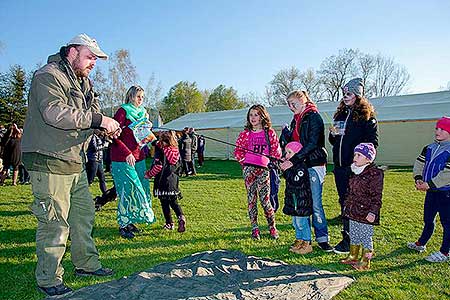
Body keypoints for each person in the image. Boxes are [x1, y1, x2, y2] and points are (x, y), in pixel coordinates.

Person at [21, 34, 120, 297]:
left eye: (96, 60)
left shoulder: (84, 83)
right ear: (73, 51)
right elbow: (54, 112)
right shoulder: (48, 75)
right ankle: (49, 278)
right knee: (55, 222)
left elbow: (91, 115)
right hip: (49, 158)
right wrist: (99, 120)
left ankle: (86, 264)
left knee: (83, 216)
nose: (93, 64)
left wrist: (103, 128)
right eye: (90, 57)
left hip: (74, 160)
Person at [329, 78, 378, 254]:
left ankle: (353, 241)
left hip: (356, 169)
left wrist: (361, 162)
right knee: (344, 201)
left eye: (348, 93)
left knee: (355, 204)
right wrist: (332, 134)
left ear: (357, 96)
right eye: (344, 94)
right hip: (340, 167)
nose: (345, 97)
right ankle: (349, 238)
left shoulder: (367, 117)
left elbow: (373, 143)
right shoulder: (340, 115)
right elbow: (335, 140)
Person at [280, 90, 333, 252]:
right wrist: (286, 139)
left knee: (315, 204)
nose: (290, 106)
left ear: (303, 100)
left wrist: (292, 161)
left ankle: (322, 238)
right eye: (288, 104)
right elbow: (294, 144)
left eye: (293, 103)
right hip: (299, 165)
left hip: (313, 164)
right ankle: (303, 239)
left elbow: (311, 144)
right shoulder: (295, 120)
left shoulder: (314, 117)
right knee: (300, 202)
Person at [110, 85, 156, 239]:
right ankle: (123, 224)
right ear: (130, 96)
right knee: (128, 190)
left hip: (139, 157)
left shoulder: (143, 113)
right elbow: (113, 135)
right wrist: (126, 152)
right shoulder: (123, 111)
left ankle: (131, 220)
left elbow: (144, 135)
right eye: (138, 96)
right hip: (123, 157)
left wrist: (154, 144)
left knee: (141, 189)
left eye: (142, 97)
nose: (140, 100)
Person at [234, 104, 282, 239]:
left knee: (265, 200)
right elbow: (237, 151)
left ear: (262, 116)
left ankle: (272, 227)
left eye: (256, 114)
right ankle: (254, 228)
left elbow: (276, 152)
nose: (253, 118)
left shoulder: (270, 133)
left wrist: (271, 162)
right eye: (251, 115)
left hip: (263, 170)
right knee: (251, 199)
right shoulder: (245, 134)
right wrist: (244, 160)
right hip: (249, 169)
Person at [407, 116, 450, 263]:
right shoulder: (429, 147)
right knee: (428, 219)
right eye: (437, 128)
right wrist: (418, 178)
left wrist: (429, 184)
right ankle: (421, 243)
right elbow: (419, 164)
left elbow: (447, 174)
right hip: (431, 192)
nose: (437, 131)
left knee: (447, 223)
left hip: (446, 193)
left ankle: (445, 252)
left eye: (442, 129)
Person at [339, 143, 383, 271]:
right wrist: (347, 205)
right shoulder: (354, 170)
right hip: (354, 210)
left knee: (365, 236)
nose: (355, 157)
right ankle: (353, 255)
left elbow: (376, 196)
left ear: (368, 159)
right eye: (355, 154)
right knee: (354, 234)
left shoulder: (375, 174)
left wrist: (373, 212)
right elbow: (350, 192)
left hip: (366, 212)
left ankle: (365, 261)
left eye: (359, 155)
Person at [145, 131, 186, 232]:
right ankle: (181, 218)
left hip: (162, 181)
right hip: (173, 181)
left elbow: (158, 166)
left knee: (164, 203)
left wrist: (149, 174)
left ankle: (169, 223)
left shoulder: (161, 151)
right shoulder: (175, 150)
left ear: (163, 141)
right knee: (174, 202)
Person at [281, 141, 314, 254]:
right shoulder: (293, 167)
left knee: (302, 223)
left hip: (301, 201)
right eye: (286, 152)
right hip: (294, 200)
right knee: (296, 223)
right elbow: (288, 177)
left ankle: (307, 243)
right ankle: (299, 240)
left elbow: (296, 180)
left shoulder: (301, 168)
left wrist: (287, 169)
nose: (287, 155)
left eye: (290, 152)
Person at [86, 130, 109, 194]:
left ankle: (105, 193)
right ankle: (83, 191)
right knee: (90, 178)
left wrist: (105, 139)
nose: (103, 132)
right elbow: (94, 148)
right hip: (93, 159)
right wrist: (104, 145)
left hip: (99, 159)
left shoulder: (100, 137)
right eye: (102, 131)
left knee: (102, 177)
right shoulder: (93, 136)